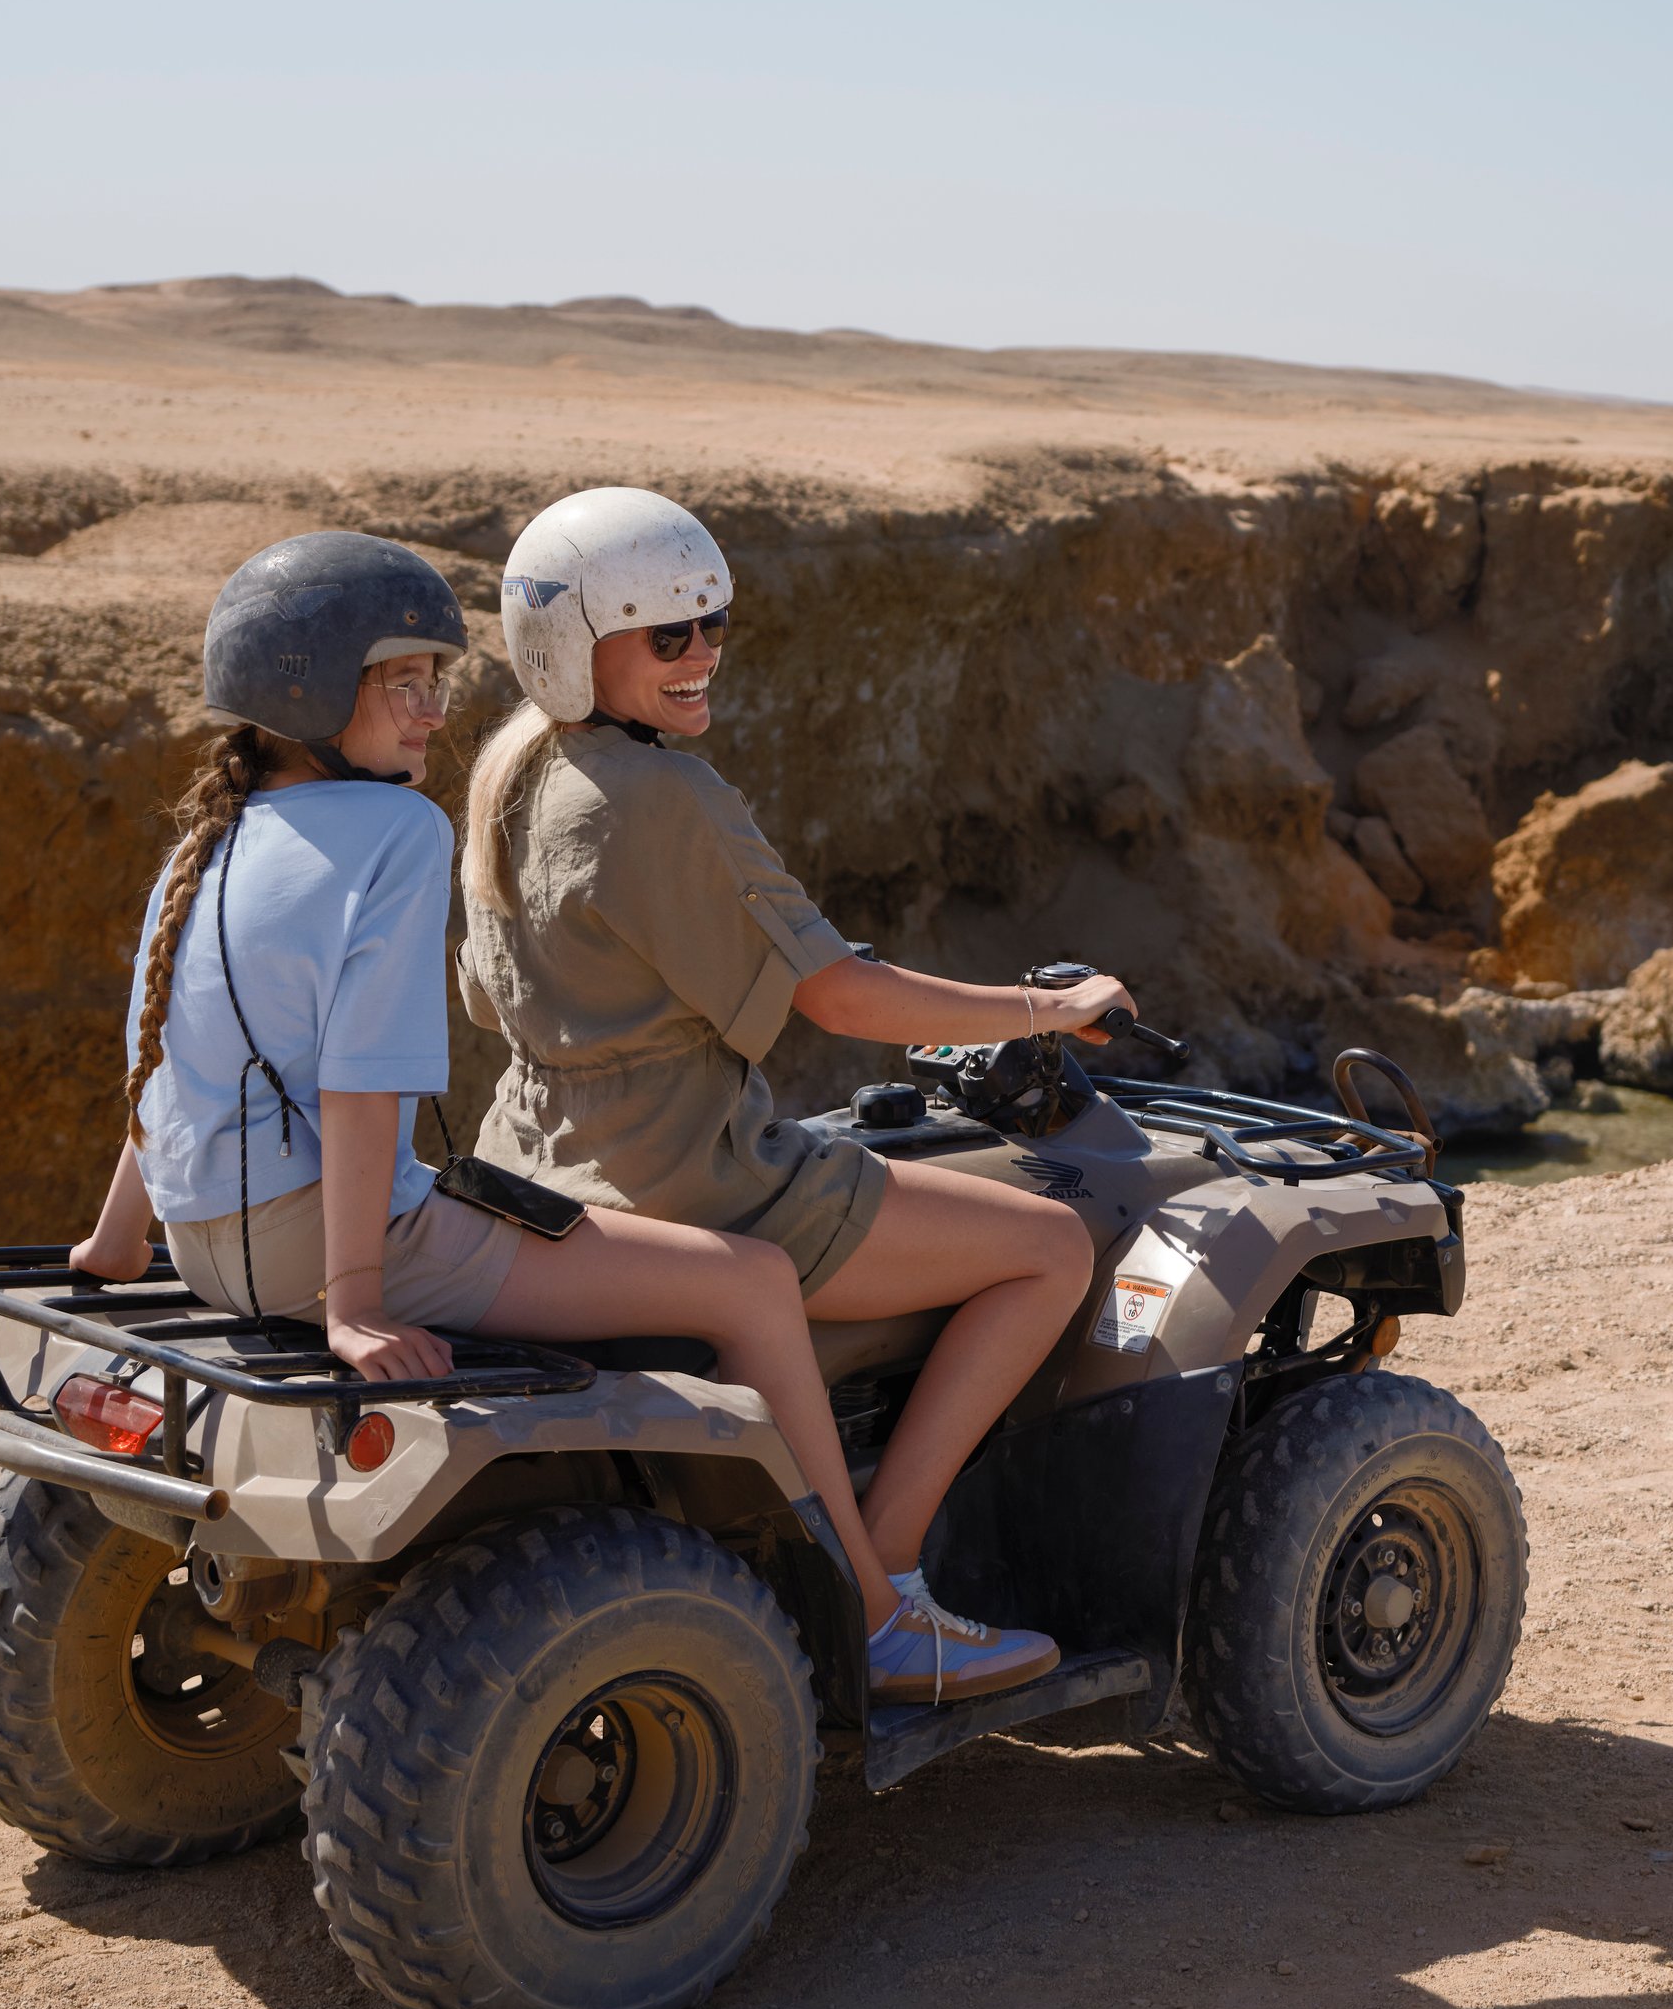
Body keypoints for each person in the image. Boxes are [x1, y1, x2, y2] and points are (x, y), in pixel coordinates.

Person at [67, 533, 875, 1642]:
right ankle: (872, 1613)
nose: (433, 712)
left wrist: (118, 1244)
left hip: (207, 1246)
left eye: (435, 683)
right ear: (308, 692)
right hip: (329, 1250)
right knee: (752, 1285)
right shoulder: (396, 831)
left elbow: (168, 1064)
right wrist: (355, 1304)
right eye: (403, 682)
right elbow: (361, 1086)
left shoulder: (203, 844)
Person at [457, 486, 1114, 1710]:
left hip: (534, 1169)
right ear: (578, 644)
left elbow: (491, 1007)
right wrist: (1044, 1010)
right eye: (667, 634)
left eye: (711, 626)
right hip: (692, 1175)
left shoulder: (508, 779)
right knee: (1049, 1247)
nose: (701, 654)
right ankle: (888, 1588)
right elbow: (842, 1002)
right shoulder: (663, 796)